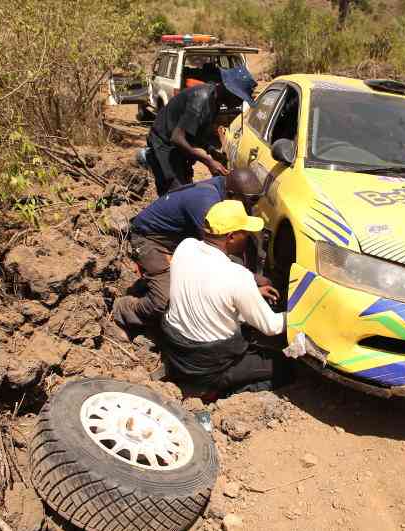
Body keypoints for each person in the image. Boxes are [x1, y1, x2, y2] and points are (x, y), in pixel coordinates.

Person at [111, 169, 263, 336]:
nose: (252, 205)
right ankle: (123, 310)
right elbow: (215, 252)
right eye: (250, 200)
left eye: (256, 199)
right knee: (165, 300)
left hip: (177, 239)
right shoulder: (207, 202)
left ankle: (150, 285)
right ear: (232, 194)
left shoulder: (228, 192)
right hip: (150, 239)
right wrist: (251, 280)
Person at [161, 200, 286, 392]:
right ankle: (218, 392)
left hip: (176, 350)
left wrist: (251, 293)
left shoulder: (186, 246)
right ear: (231, 237)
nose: (249, 236)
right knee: (284, 368)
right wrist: (299, 316)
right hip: (207, 366)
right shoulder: (237, 276)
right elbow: (272, 327)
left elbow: (205, 283)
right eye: (245, 232)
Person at [143, 65, 257, 196]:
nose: (239, 103)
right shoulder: (201, 99)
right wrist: (208, 161)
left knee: (185, 186)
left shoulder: (215, 102)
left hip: (177, 146)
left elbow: (194, 133)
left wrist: (211, 151)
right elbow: (177, 138)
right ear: (229, 90)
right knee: (175, 192)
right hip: (163, 143)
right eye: (239, 98)